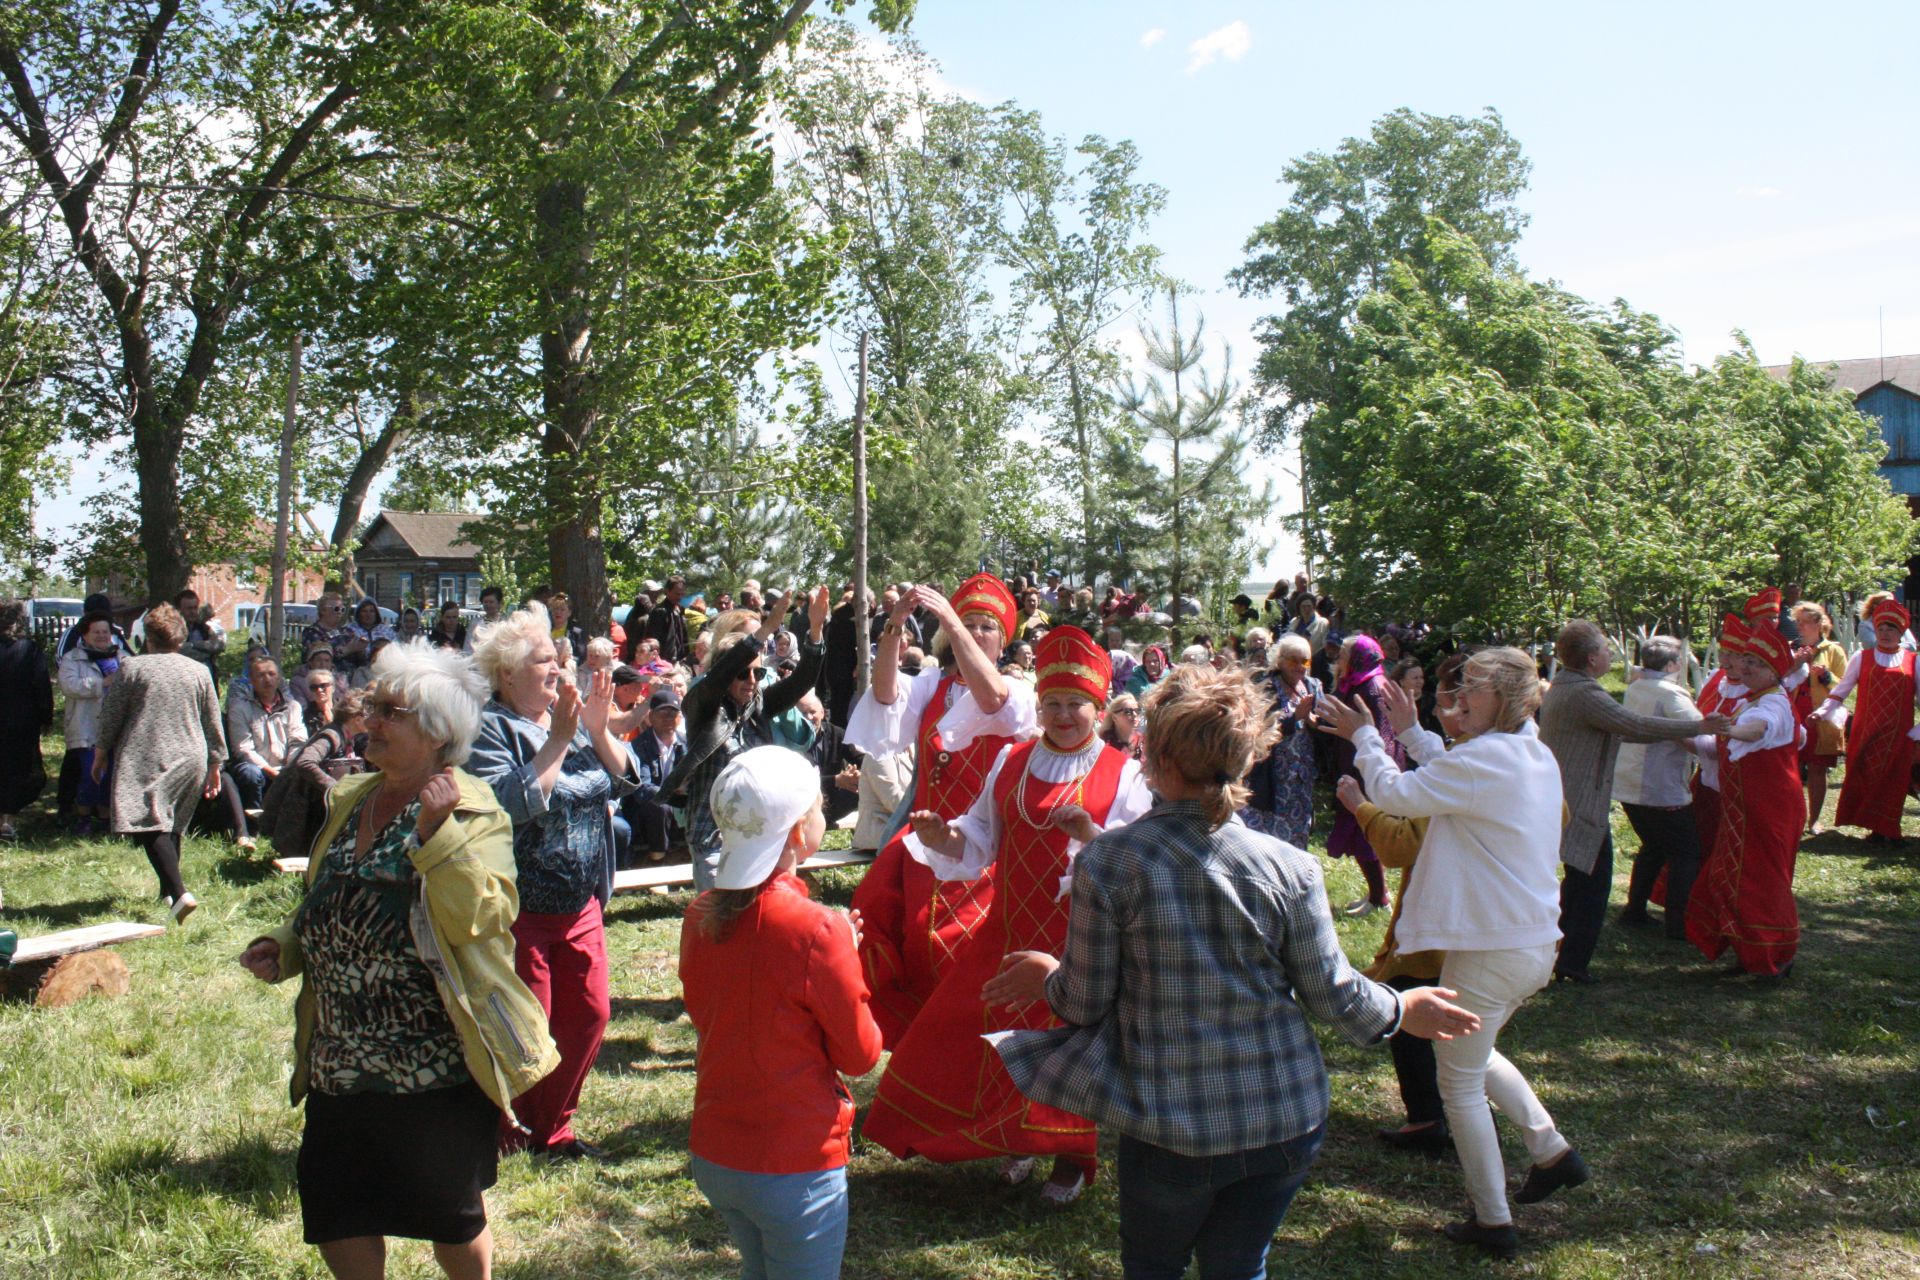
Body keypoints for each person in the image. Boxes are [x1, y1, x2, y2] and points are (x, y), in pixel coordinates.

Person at [989, 663, 1479, 1278]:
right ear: (1247, 761)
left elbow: (1082, 1002)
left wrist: (1047, 975)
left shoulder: (1110, 862)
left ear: (1152, 757)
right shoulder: (1290, 868)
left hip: (1168, 1121)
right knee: (1240, 1266)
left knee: (1154, 1266)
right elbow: (1333, 995)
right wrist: (1404, 1008)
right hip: (1284, 1116)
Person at [237, 642, 559, 1280]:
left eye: (391, 711)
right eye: (373, 706)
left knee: (450, 1214)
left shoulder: (475, 808)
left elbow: (484, 918)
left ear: (439, 733)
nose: (369, 720)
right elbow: (331, 891)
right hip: (340, 1056)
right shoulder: (353, 797)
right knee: (338, 1210)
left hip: (432, 1061)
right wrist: (289, 942)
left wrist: (439, 836)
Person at [865, 627, 1154, 1204]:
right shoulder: (1011, 759)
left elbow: (1136, 860)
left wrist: (1090, 836)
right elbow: (979, 836)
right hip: (1006, 931)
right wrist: (940, 835)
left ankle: (1071, 1158)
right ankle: (1016, 1138)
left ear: (1098, 710)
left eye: (1076, 705)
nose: (1064, 715)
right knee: (981, 1036)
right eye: (1052, 704)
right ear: (1039, 706)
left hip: (1079, 940)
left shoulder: (1124, 773)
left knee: (1068, 1048)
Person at [1329, 647, 1589, 1259]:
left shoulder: (1487, 759)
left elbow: (1395, 795)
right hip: (1531, 944)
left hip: (1492, 949)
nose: (1459, 697)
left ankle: (1494, 1221)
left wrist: (1368, 736)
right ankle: (1551, 1153)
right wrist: (1412, 731)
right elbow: (1458, 770)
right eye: (1461, 686)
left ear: (1505, 697)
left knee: (1460, 1085)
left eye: (1472, 688)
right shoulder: (1529, 751)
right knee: (1475, 1055)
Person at [679, 747, 883, 1280]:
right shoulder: (818, 928)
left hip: (717, 1150)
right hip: (793, 1161)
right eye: (818, 808)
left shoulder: (699, 915)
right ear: (798, 834)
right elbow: (860, 1055)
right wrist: (843, 959)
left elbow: (718, 1008)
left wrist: (833, 950)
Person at [469, 609, 642, 1161]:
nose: (559, 668)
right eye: (546, 660)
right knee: (528, 1026)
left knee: (589, 1015)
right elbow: (504, 804)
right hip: (521, 910)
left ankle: (553, 1127)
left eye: (558, 658)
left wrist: (594, 728)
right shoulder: (489, 727)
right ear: (508, 673)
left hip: (582, 903)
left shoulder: (568, 719)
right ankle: (510, 1129)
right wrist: (561, 741)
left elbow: (630, 779)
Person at [845, 575, 1038, 1047]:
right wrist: (892, 629)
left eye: (984, 626)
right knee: (882, 920)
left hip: (984, 844)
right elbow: (886, 695)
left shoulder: (1018, 692)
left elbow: (991, 700)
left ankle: (963, 1039)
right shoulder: (933, 684)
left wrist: (950, 620)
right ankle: (905, 1036)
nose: (972, 632)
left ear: (1004, 639)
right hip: (924, 837)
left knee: (959, 945)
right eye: (966, 623)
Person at [1334, 650, 1475, 1158]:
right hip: (1481, 918)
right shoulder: (1512, 756)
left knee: (1416, 1007)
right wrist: (1410, 735)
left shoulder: (1473, 767)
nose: (1437, 706)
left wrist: (1360, 802)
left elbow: (1399, 844)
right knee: (1454, 1019)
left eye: (1449, 698)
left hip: (1445, 918)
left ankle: (1435, 1121)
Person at [1538, 620, 1728, 984]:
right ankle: (1571, 964)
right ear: (1592, 658)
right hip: (1579, 800)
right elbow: (1634, 726)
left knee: (1579, 882)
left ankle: (1557, 955)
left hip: (1567, 796)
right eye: (1607, 650)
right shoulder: (1585, 694)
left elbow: (1631, 730)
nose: (1612, 654)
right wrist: (1699, 727)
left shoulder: (1569, 685)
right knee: (1591, 885)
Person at [662, 588, 829, 893]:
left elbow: (802, 680)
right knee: (721, 928)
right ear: (725, 675)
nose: (752, 681)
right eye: (742, 674)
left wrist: (815, 630)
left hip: (757, 838)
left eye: (757, 673)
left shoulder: (759, 704)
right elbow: (718, 676)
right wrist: (765, 628)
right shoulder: (702, 704)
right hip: (713, 839)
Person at [1686, 618, 1808, 978]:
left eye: (1757, 664)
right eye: (1747, 662)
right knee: (1732, 879)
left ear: (1774, 673)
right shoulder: (1752, 699)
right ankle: (1748, 953)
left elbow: (1759, 730)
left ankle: (1776, 958)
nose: (1747, 668)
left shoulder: (1774, 704)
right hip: (1744, 813)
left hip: (1769, 812)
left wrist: (1730, 728)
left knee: (1762, 884)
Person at [92, 604, 225, 922]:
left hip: (146, 755)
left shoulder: (132, 668)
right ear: (179, 637)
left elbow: (112, 715)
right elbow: (213, 719)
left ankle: (179, 892)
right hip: (192, 754)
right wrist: (216, 762)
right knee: (171, 824)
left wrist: (100, 752)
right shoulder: (199, 670)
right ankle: (167, 894)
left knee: (148, 823)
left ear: (148, 637)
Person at [1611, 636, 1706, 938]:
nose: (1681, 665)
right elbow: (1696, 735)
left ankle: (1635, 909)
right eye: (1679, 660)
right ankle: (1678, 924)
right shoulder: (1672, 694)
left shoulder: (1637, 686)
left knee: (1653, 847)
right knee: (1685, 853)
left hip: (1630, 783)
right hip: (1659, 786)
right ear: (1669, 665)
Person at [1817, 595, 1920, 843]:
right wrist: (1822, 711)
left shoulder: (1913, 662)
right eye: (1880, 628)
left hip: (1897, 734)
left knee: (1893, 779)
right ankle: (1873, 828)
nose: (1884, 633)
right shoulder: (1861, 658)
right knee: (1867, 776)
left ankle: (1888, 829)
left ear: (1900, 632)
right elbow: (1841, 690)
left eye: (1890, 629)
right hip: (1866, 731)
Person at [1324, 635, 1398, 916]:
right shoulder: (1355, 682)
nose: (1338, 659)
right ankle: (1376, 894)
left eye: (1343, 653)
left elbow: (1383, 735)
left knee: (1364, 832)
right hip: (1354, 764)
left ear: (1357, 658)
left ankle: (1380, 897)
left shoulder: (1373, 687)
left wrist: (1370, 773)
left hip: (1367, 771)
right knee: (1356, 831)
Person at [261, 689, 369, 858]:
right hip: (300, 802)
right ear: (357, 718)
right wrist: (334, 788)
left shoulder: (347, 737)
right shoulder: (332, 735)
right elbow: (305, 762)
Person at [1241, 633, 1321, 848]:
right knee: (1266, 832)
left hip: (1300, 774)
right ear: (1280, 660)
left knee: (1298, 828)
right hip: (1273, 771)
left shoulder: (1312, 686)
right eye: (1294, 660)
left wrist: (1316, 724)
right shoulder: (1267, 687)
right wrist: (1294, 719)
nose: (1300, 666)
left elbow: (1321, 726)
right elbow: (1260, 729)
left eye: (1305, 660)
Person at [225, 650, 309, 853]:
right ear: (251, 680)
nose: (267, 679)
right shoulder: (240, 708)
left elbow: (298, 740)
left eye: (271, 674)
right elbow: (242, 748)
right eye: (261, 675)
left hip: (285, 765)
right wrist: (269, 770)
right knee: (250, 774)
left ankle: (287, 827)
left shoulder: (293, 706)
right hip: (254, 765)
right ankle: (254, 828)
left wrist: (288, 769)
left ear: (279, 678)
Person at [58, 609, 122, 837]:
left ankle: (105, 820)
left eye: (106, 631)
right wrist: (102, 683)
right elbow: (68, 686)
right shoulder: (73, 658)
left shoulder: (122, 658)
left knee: (111, 776)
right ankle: (83, 818)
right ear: (85, 635)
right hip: (86, 726)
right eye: (96, 632)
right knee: (91, 775)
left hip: (115, 728)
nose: (102, 636)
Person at [1789, 601, 1847, 834]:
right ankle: (1793, 817)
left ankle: (1814, 820)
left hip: (1819, 717)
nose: (1800, 626)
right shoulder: (1791, 648)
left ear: (1818, 623)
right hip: (1793, 714)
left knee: (1817, 768)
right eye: (1798, 622)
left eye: (1803, 622)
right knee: (1790, 766)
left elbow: (1843, 685)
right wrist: (1795, 662)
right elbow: (1776, 678)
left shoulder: (1833, 650)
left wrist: (1825, 676)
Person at [0, 600, 54, 840]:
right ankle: (5, 820)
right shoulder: (28, 650)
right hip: (20, 720)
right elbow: (41, 685)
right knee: (16, 769)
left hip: (18, 719)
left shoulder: (28, 650)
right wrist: (46, 716)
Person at [621, 687, 687, 866]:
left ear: (679, 718)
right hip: (644, 809)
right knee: (659, 806)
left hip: (680, 804)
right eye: (662, 712)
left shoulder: (687, 744)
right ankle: (658, 860)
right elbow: (642, 789)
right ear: (650, 718)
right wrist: (674, 796)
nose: (668, 718)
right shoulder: (637, 747)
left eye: (673, 713)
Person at [646, 575, 690, 666]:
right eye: (677, 594)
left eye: (682, 594)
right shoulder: (660, 612)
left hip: (680, 660)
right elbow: (653, 639)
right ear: (667, 591)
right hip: (665, 661)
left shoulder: (679, 610)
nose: (680, 597)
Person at [1097, 692, 1142, 758]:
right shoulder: (1102, 746)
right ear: (1114, 718)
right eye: (1128, 712)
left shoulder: (1143, 743)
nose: (1135, 714)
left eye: (1137, 711)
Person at [548, 592, 587, 666]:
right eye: (555, 609)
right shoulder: (546, 631)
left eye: (562, 609)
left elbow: (581, 657)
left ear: (569, 613)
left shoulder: (576, 633)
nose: (558, 612)